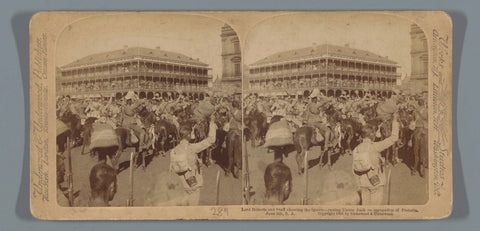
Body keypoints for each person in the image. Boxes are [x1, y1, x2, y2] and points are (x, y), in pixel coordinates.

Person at [166, 115, 217, 205]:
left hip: (180, 184)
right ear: (188, 135)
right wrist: (212, 123)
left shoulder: (173, 151)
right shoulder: (193, 148)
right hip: (193, 183)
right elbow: (211, 140)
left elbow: (171, 169)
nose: (193, 133)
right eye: (191, 132)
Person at [352, 112, 399, 205]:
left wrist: (359, 185)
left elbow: (354, 169)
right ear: (371, 135)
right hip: (376, 182)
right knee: (376, 209)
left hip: (363, 183)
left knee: (366, 208)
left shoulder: (356, 149)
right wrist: (395, 120)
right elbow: (394, 137)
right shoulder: (376, 146)